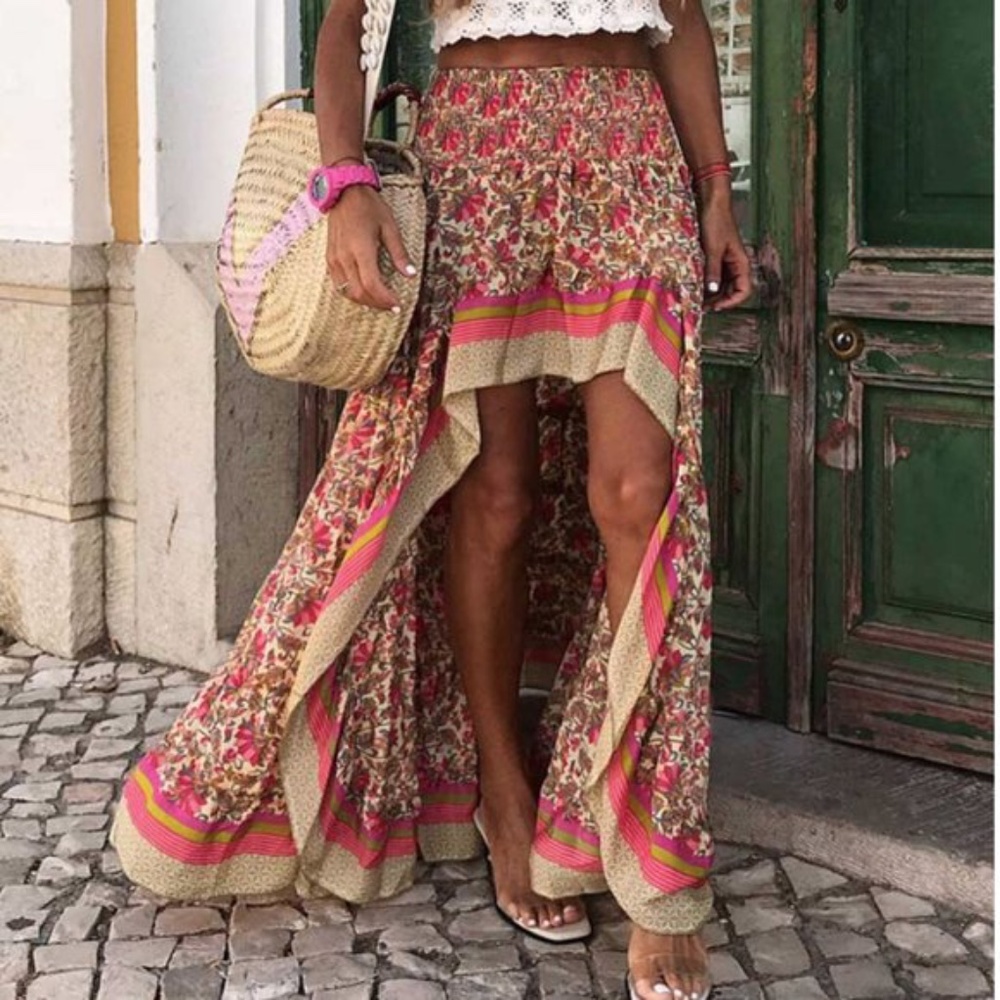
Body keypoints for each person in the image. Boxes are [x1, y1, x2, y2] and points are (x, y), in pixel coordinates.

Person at [112, 1, 752, 998]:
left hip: (631, 150)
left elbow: (679, 15)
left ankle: (650, 869)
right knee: (492, 493)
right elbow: (345, 23)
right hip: (478, 150)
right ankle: (504, 790)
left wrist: (715, 188)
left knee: (640, 494)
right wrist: (345, 181)